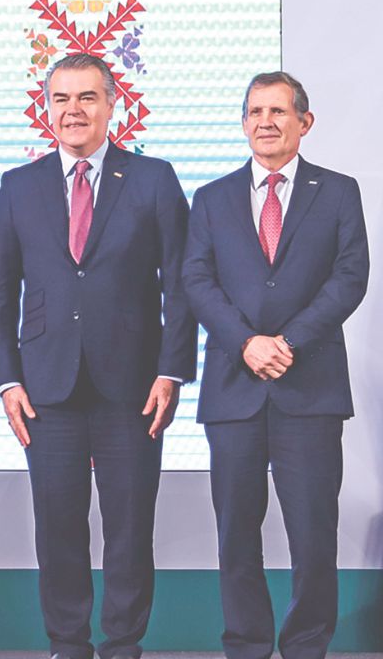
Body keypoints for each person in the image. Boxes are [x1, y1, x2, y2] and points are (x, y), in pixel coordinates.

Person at [0, 53, 196, 659]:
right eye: (60, 99)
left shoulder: (153, 179)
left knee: (130, 531)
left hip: (133, 387)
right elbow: (1, 296)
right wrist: (5, 380)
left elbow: (181, 284)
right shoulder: (17, 187)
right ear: (45, 108)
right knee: (58, 531)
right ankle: (68, 645)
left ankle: (123, 644)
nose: (72, 111)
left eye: (86, 98)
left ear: (111, 105)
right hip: (44, 389)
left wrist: (171, 369)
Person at [182, 71, 368, 659]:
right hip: (234, 388)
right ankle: (247, 644)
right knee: (237, 535)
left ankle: (307, 645)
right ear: (243, 124)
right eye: (255, 112)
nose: (266, 121)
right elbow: (196, 278)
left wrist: (286, 341)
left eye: (278, 112)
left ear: (303, 123)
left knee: (314, 536)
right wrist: (246, 343)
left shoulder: (338, 192)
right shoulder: (210, 198)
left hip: (309, 387)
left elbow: (349, 277)